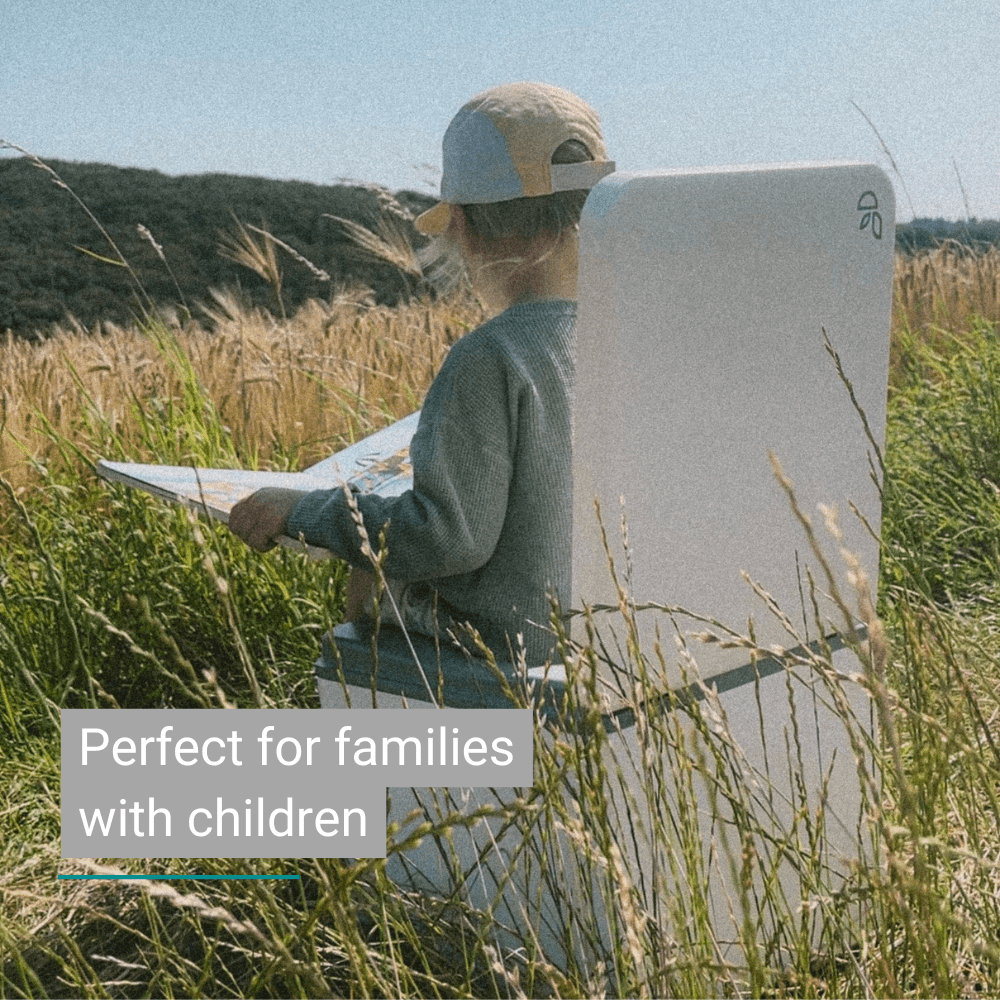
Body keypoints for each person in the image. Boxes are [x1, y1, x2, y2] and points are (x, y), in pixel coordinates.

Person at [228, 82, 614, 664]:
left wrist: (303, 510)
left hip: (504, 660)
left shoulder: (490, 358)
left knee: (367, 591)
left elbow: (446, 538)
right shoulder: (622, 337)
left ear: (459, 226)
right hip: (597, 645)